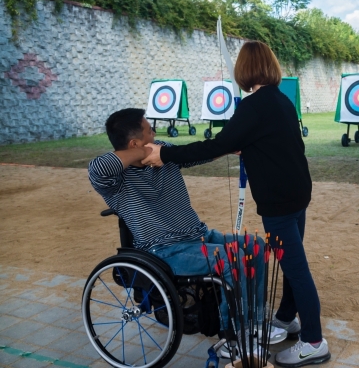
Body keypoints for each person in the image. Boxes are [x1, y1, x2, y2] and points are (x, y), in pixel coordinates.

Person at [142, 41, 330, 368]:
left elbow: (216, 144)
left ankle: (314, 341)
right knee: (289, 259)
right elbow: (280, 143)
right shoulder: (281, 100)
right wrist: (248, 145)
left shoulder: (253, 106)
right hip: (297, 194)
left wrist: (165, 153)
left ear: (243, 71)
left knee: (296, 269)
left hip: (279, 203)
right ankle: (286, 319)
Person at [87, 108, 281, 359]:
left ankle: (252, 321)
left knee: (255, 246)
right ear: (134, 143)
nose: (155, 134)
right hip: (166, 250)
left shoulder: (163, 151)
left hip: (198, 235)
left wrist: (228, 146)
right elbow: (98, 167)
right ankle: (234, 335)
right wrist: (147, 152)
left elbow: (193, 154)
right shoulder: (114, 181)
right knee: (233, 261)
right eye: (150, 131)